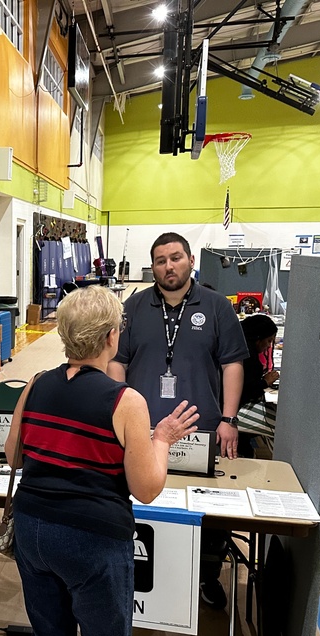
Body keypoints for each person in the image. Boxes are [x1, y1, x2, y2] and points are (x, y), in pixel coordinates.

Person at [5, 285, 199, 636]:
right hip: (92, 540)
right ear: (112, 338)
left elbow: (14, 455)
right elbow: (147, 488)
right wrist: (163, 439)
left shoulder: (35, 385)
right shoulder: (125, 401)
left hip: (32, 530)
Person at [108, 231, 248, 610]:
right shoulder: (133, 308)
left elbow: (232, 363)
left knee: (205, 509)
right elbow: (117, 361)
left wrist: (229, 418)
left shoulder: (217, 307)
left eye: (175, 258)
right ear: (151, 267)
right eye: (160, 260)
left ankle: (206, 574)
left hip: (201, 429)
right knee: (144, 498)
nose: (168, 266)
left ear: (189, 260)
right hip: (143, 429)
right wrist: (120, 410)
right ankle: (145, 577)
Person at [236, 314, 279, 458]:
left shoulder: (235, 346)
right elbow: (247, 391)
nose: (268, 346)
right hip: (235, 410)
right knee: (279, 426)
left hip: (225, 407)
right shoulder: (249, 358)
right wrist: (264, 382)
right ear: (258, 338)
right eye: (268, 341)